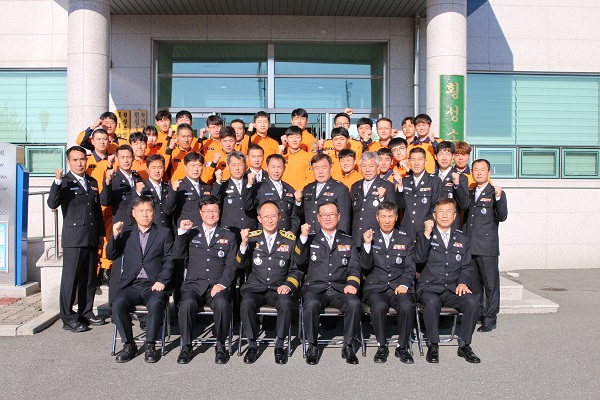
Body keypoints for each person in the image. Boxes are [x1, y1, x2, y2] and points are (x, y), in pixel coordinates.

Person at [175, 196, 241, 365]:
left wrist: (222, 284)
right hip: (194, 284)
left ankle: (220, 345)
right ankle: (186, 346)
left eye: (214, 210)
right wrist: (181, 232)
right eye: (207, 211)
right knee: (186, 304)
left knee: (222, 304)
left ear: (219, 212)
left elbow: (231, 265)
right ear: (200, 212)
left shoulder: (229, 235)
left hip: (217, 284)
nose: (211, 214)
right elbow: (178, 255)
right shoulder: (191, 232)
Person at [107, 196, 174, 363]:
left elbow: (169, 260)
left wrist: (162, 280)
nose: (145, 214)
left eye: (148, 210)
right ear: (133, 213)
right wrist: (115, 235)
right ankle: (129, 344)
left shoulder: (164, 233)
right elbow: (111, 255)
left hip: (154, 284)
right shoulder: (126, 232)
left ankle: (150, 345)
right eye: (141, 211)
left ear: (154, 212)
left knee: (156, 303)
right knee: (117, 303)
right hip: (132, 284)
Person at [414, 198, 481, 364]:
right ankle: (433, 345)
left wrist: (463, 282)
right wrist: (427, 234)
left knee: (472, 301)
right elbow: (419, 259)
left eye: (448, 211)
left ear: (454, 216)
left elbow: (466, 266)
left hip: (452, 288)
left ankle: (465, 345)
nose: (444, 215)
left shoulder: (463, 238)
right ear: (434, 215)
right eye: (441, 212)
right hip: (430, 287)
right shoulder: (425, 234)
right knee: (432, 302)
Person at [237, 201, 305, 364]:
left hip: (278, 288)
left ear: (279, 217)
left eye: (273, 216)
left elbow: (296, 270)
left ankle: (280, 344)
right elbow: (240, 265)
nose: (269, 220)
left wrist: (288, 285)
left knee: (286, 303)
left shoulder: (289, 240)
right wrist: (243, 244)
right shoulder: (251, 238)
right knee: (246, 303)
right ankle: (252, 344)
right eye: (265, 216)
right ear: (259, 219)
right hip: (255, 288)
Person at [47, 146, 106, 333]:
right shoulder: (64, 182)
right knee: (70, 279)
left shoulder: (91, 181)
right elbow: (52, 203)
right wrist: (56, 181)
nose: (80, 163)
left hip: (91, 235)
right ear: (68, 162)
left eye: (82, 159)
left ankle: (86, 311)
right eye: (75, 160)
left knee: (89, 278)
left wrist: (100, 234)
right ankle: (68, 317)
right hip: (74, 239)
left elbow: (97, 211)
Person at [300, 202, 362, 365]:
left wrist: (352, 283)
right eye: (324, 215)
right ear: (318, 218)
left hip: (339, 288)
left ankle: (348, 345)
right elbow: (299, 262)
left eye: (332, 214)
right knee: (311, 304)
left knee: (354, 304)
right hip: (315, 288)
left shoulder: (348, 240)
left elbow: (354, 267)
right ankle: (312, 345)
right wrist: (303, 238)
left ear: (338, 216)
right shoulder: (310, 239)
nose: (328, 218)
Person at [360, 201, 416, 364]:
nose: (387, 220)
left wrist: (404, 284)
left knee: (407, 306)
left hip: (398, 286)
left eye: (390, 216)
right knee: (379, 307)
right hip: (376, 287)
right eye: (383, 216)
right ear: (377, 218)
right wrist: (367, 244)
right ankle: (382, 346)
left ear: (396, 217)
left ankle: (402, 347)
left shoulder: (405, 239)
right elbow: (365, 266)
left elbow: (410, 268)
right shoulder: (369, 236)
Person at [464, 159, 508, 333]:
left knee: (490, 284)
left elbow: (502, 216)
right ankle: (477, 313)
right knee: (474, 285)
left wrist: (498, 197)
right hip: (471, 245)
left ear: (489, 173)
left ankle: (490, 318)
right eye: (476, 169)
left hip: (487, 246)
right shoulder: (471, 192)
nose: (479, 172)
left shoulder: (495, 192)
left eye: (483, 170)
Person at [243, 154, 301, 234]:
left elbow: (294, 216)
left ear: (284, 168)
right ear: (267, 168)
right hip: (266, 235)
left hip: (286, 235)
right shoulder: (259, 187)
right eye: (273, 167)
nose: (276, 171)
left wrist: (292, 231)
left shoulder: (289, 189)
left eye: (279, 167)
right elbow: (247, 206)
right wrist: (249, 185)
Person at [395, 147, 442, 240]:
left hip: (425, 231)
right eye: (413, 160)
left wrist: (429, 227)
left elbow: (436, 207)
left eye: (420, 159)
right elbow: (400, 205)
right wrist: (400, 186)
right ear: (409, 161)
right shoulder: (405, 180)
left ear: (425, 161)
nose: (416, 163)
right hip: (407, 231)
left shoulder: (434, 181)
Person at [350, 152, 395, 246]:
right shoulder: (355, 186)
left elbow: (392, 211)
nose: (367, 170)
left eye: (371, 166)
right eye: (364, 166)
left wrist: (382, 198)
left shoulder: (387, 185)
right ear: (360, 168)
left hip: (376, 238)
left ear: (377, 167)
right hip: (357, 237)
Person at [300, 154, 352, 235]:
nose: (320, 171)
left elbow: (344, 221)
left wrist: (340, 239)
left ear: (330, 168)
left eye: (324, 167)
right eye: (316, 168)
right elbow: (301, 216)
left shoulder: (340, 189)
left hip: (329, 238)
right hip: (310, 237)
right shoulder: (307, 189)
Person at [211, 151, 257, 236]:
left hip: (250, 231)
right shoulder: (223, 185)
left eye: (240, 165)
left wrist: (250, 185)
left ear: (246, 166)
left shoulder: (252, 184)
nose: (237, 168)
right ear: (228, 166)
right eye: (233, 165)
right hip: (229, 231)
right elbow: (213, 202)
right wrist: (217, 182)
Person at [435, 141, 470, 229]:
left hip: (452, 227)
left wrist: (457, 185)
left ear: (453, 156)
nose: (444, 158)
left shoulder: (461, 177)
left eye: (447, 154)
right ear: (435, 157)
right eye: (441, 154)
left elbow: (464, 205)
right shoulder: (431, 178)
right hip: (433, 226)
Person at [137, 154, 172, 229]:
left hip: (167, 230)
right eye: (153, 167)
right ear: (147, 169)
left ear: (164, 169)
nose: (157, 171)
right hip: (149, 230)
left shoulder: (168, 189)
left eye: (160, 167)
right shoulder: (142, 188)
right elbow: (131, 211)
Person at [280, 126, 314, 191]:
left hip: (301, 193)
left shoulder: (309, 157)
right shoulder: (282, 157)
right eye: (291, 137)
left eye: (297, 137)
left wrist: (301, 191)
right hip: (284, 193)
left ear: (301, 139)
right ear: (286, 139)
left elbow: (311, 178)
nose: (294, 140)